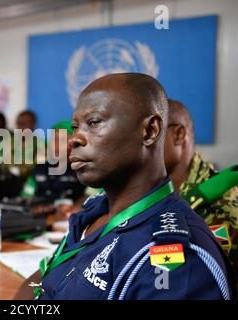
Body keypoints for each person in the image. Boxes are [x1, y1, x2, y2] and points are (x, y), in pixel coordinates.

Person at [14, 73, 235, 300]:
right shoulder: (95, 211)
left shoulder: (176, 261)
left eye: (93, 123)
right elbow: (47, 278)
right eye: (75, 126)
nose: (74, 139)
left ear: (149, 131)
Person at [164, 99, 238, 277]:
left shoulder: (224, 201)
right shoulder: (144, 191)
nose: (144, 143)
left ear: (179, 135)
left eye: (154, 133)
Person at [21, 120, 86, 205]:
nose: (56, 145)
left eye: (61, 140)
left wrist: (72, 209)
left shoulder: (84, 170)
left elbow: (92, 198)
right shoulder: (40, 168)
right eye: (53, 139)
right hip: (36, 216)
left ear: (74, 143)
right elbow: (26, 196)